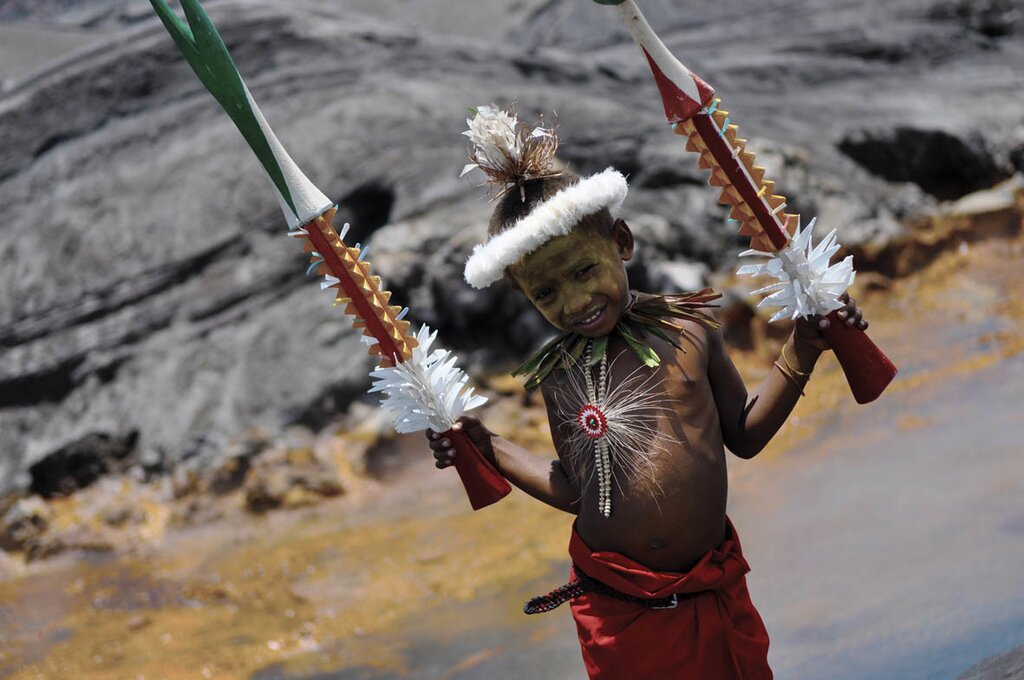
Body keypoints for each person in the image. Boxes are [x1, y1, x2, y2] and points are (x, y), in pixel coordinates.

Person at [427, 106, 867, 679]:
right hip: (622, 609)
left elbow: (745, 435)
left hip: (711, 589)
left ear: (622, 242)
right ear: (522, 292)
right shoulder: (560, 379)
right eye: (546, 293)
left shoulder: (689, 331)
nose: (574, 302)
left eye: (585, 271)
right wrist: (489, 448)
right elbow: (577, 491)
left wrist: (803, 346)